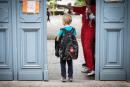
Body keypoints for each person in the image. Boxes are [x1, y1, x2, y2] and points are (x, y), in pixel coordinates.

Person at [71, 0, 96, 76]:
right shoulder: (84, 7)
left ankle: (92, 68)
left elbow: (97, 19)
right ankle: (89, 66)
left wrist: (91, 13)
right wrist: (66, 6)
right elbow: (74, 8)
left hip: (90, 28)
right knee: (84, 48)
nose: (86, 0)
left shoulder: (96, 7)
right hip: (84, 29)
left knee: (87, 48)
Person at [56, 14, 77, 82]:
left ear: (63, 21)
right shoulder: (73, 29)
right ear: (70, 21)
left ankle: (63, 77)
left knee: (62, 63)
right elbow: (74, 38)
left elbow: (57, 38)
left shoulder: (62, 30)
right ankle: (70, 77)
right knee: (70, 63)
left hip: (63, 50)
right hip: (70, 49)